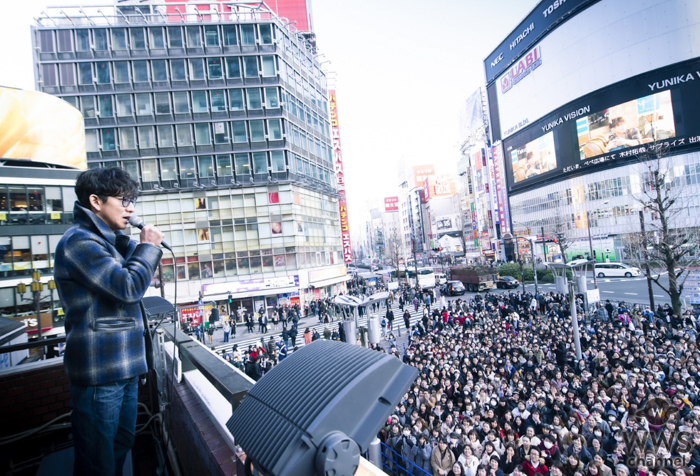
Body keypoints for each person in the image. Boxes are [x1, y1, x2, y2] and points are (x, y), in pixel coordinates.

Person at [54, 167, 164, 476]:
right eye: (124, 199)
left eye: (133, 200)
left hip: (124, 367)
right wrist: (149, 247)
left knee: (120, 447)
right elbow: (127, 287)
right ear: (96, 201)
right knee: (97, 461)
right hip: (100, 373)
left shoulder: (110, 243)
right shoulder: (79, 242)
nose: (131, 208)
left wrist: (137, 248)